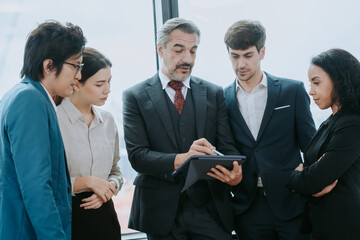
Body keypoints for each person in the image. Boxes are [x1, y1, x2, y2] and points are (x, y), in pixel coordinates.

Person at [123, 17, 242, 240]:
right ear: (160, 49)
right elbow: (138, 156)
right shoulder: (134, 96)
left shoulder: (213, 93)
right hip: (160, 212)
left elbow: (227, 147)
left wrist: (234, 174)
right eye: (178, 50)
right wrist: (184, 158)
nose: (187, 59)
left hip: (210, 210)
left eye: (193, 51)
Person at [223, 20, 316, 240]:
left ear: (262, 52)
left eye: (247, 55)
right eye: (235, 56)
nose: (240, 64)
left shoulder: (291, 91)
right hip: (248, 207)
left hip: (292, 202)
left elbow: (311, 146)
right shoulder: (222, 99)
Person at [0, 20, 86, 239]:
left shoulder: (18, 94)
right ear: (49, 65)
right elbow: (37, 187)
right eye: (75, 66)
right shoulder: (30, 100)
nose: (79, 75)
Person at [286, 48, 360, 240]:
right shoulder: (331, 121)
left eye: (316, 83)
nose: (311, 91)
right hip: (323, 223)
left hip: (345, 227)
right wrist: (308, 176)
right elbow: (314, 174)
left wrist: (296, 176)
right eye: (310, 83)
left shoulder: (353, 123)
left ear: (339, 79)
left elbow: (313, 179)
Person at [56, 47, 123, 240]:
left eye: (109, 81)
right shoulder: (54, 120)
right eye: (100, 84)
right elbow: (46, 181)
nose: (108, 90)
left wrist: (110, 187)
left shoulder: (108, 121)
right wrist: (85, 183)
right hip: (68, 218)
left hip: (105, 218)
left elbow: (115, 170)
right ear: (77, 83)